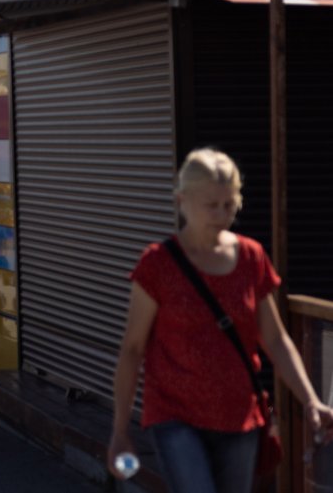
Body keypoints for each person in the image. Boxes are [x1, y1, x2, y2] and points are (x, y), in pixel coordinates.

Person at [108, 148, 333, 492]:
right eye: (210, 205)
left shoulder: (250, 257)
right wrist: (120, 429)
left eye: (229, 204)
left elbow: (275, 339)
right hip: (174, 414)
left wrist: (311, 399)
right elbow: (133, 349)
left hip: (237, 415)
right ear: (182, 201)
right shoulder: (158, 264)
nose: (221, 214)